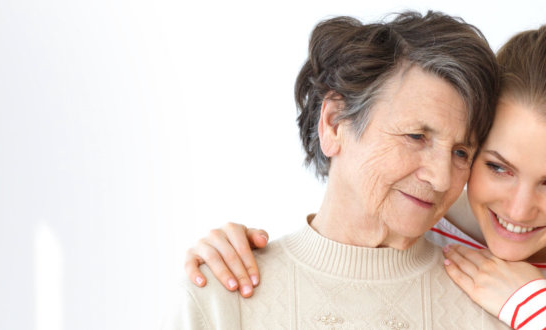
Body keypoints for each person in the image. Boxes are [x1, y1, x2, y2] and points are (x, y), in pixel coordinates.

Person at [186, 24, 546, 330]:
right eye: (496, 167)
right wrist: (233, 252)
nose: (516, 210)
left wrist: (542, 313)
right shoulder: (433, 217)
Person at [174, 11, 507, 330]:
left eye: (461, 152)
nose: (442, 178)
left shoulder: (494, 302)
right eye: (416, 136)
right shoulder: (221, 295)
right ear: (334, 124)